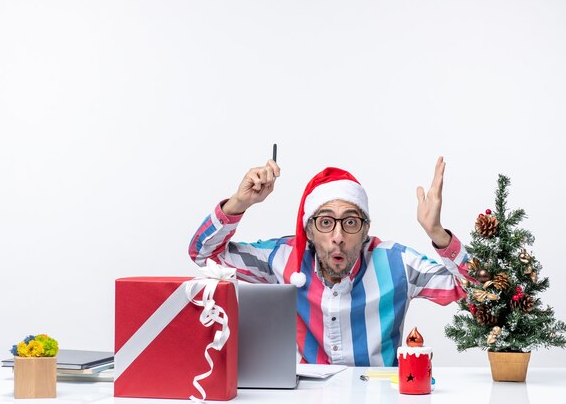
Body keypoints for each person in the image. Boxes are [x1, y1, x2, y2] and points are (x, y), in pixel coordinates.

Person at [188, 157, 470, 367]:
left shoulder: (398, 264)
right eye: (325, 222)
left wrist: (438, 234)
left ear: (366, 229)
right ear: (309, 230)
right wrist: (239, 203)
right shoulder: (285, 259)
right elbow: (205, 255)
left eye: (350, 222)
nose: (337, 236)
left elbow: (476, 290)